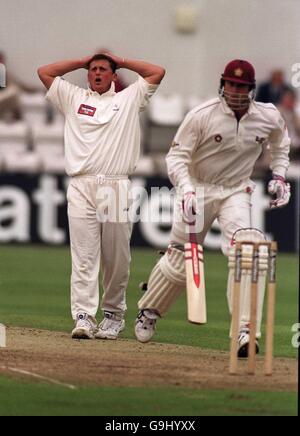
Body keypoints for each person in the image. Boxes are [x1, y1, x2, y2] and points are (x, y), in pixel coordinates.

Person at [134, 59, 291, 358]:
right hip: (199, 188)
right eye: (231, 84)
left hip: (236, 190)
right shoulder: (202, 115)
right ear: (223, 84)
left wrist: (280, 175)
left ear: (251, 90)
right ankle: (149, 310)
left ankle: (246, 330)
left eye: (242, 86)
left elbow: (280, 144)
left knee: (248, 252)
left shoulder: (267, 116)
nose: (235, 90)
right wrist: (186, 188)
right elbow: (176, 157)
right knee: (180, 262)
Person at [37, 52, 165, 340]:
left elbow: (157, 70)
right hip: (82, 185)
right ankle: (83, 316)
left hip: (115, 185)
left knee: (116, 257)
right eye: (93, 69)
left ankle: (113, 314)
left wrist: (119, 59)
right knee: (84, 255)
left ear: (113, 75)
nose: (97, 73)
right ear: (87, 74)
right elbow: (44, 71)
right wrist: (81, 60)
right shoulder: (73, 97)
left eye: (103, 69)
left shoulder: (129, 98)